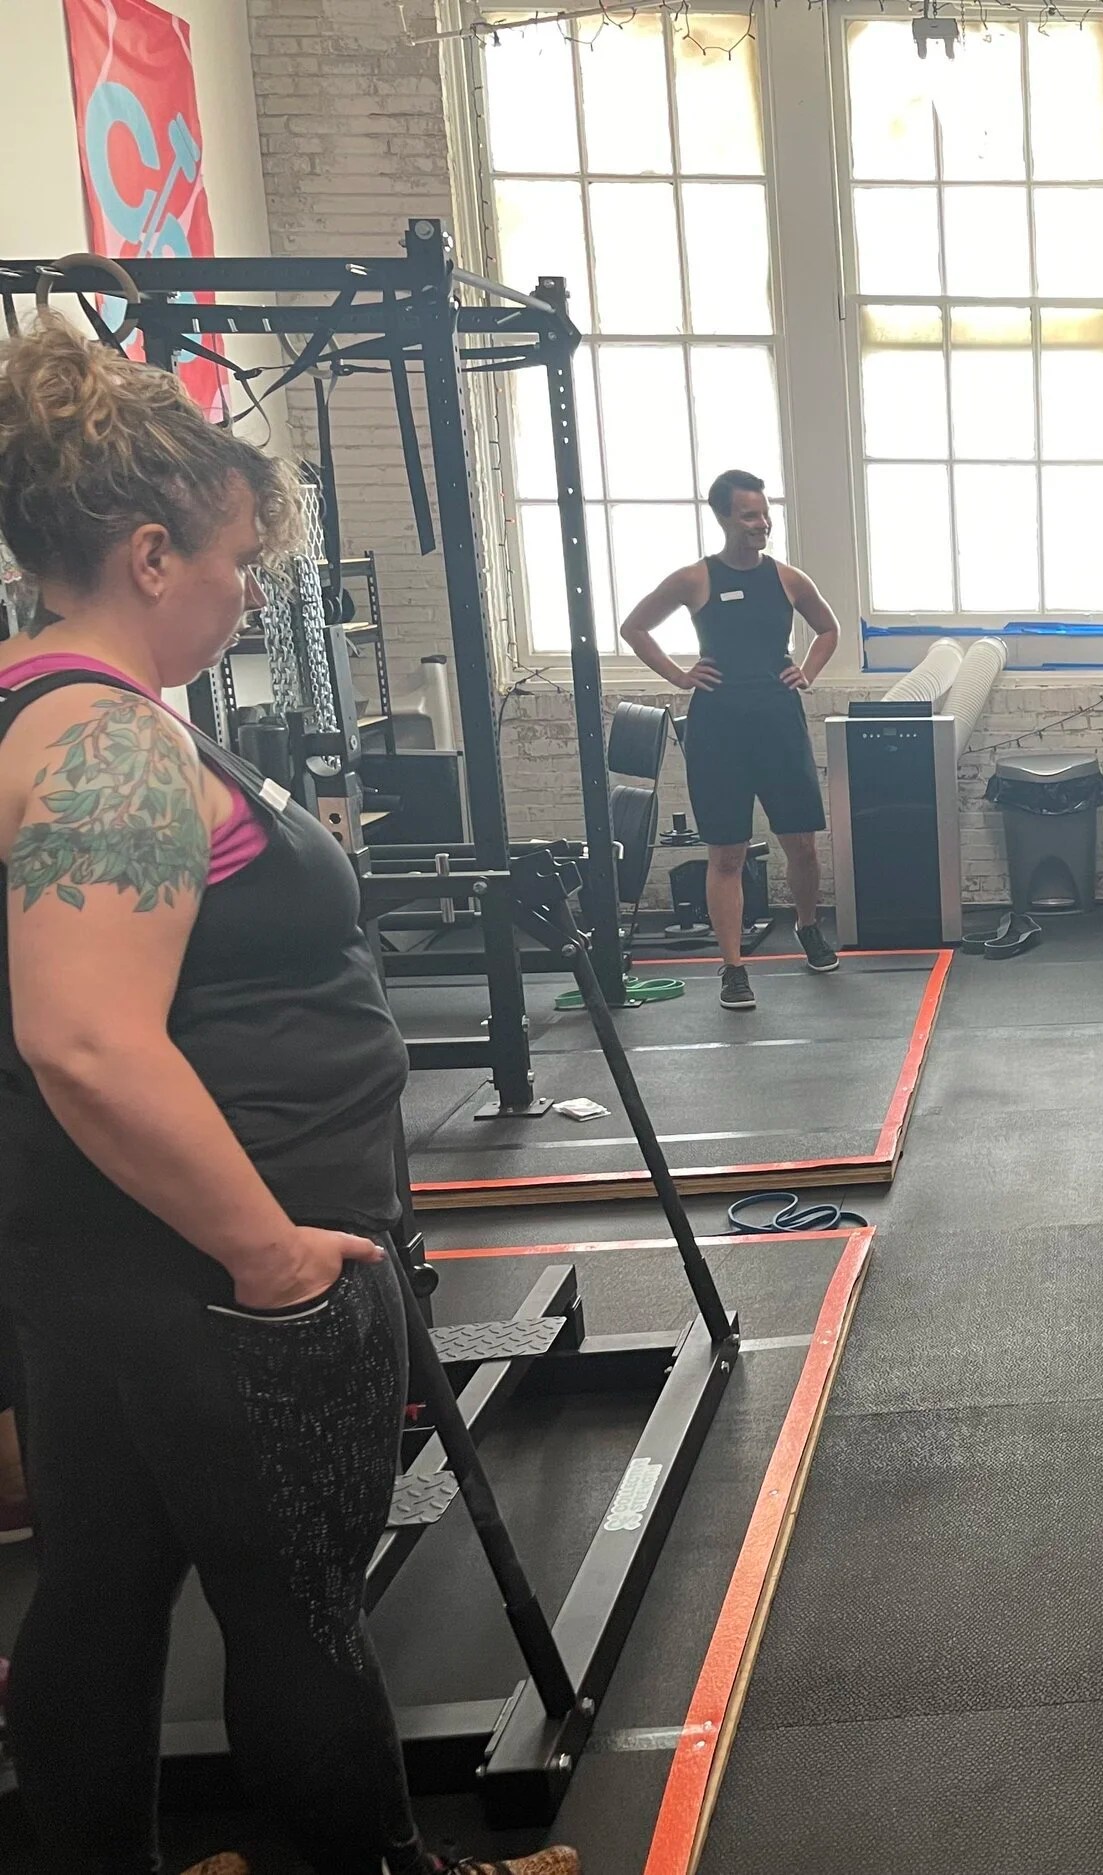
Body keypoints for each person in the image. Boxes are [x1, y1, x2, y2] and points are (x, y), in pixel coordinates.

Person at [0, 317, 572, 1875]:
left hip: (98, 1255)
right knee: (295, 1604)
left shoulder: (35, 709)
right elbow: (88, 1041)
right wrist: (268, 1254)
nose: (250, 594)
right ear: (149, 554)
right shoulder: (108, 745)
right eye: (238, 562)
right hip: (218, 1268)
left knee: (100, 1588)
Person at [620, 469, 844, 1010]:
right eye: (749, 515)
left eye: (765, 514)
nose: (761, 524)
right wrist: (678, 676)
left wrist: (808, 671)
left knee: (802, 845)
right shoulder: (694, 579)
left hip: (778, 723)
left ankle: (808, 927)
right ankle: (733, 967)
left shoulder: (788, 579)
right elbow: (635, 627)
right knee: (727, 853)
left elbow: (829, 628)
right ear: (722, 517)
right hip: (718, 729)